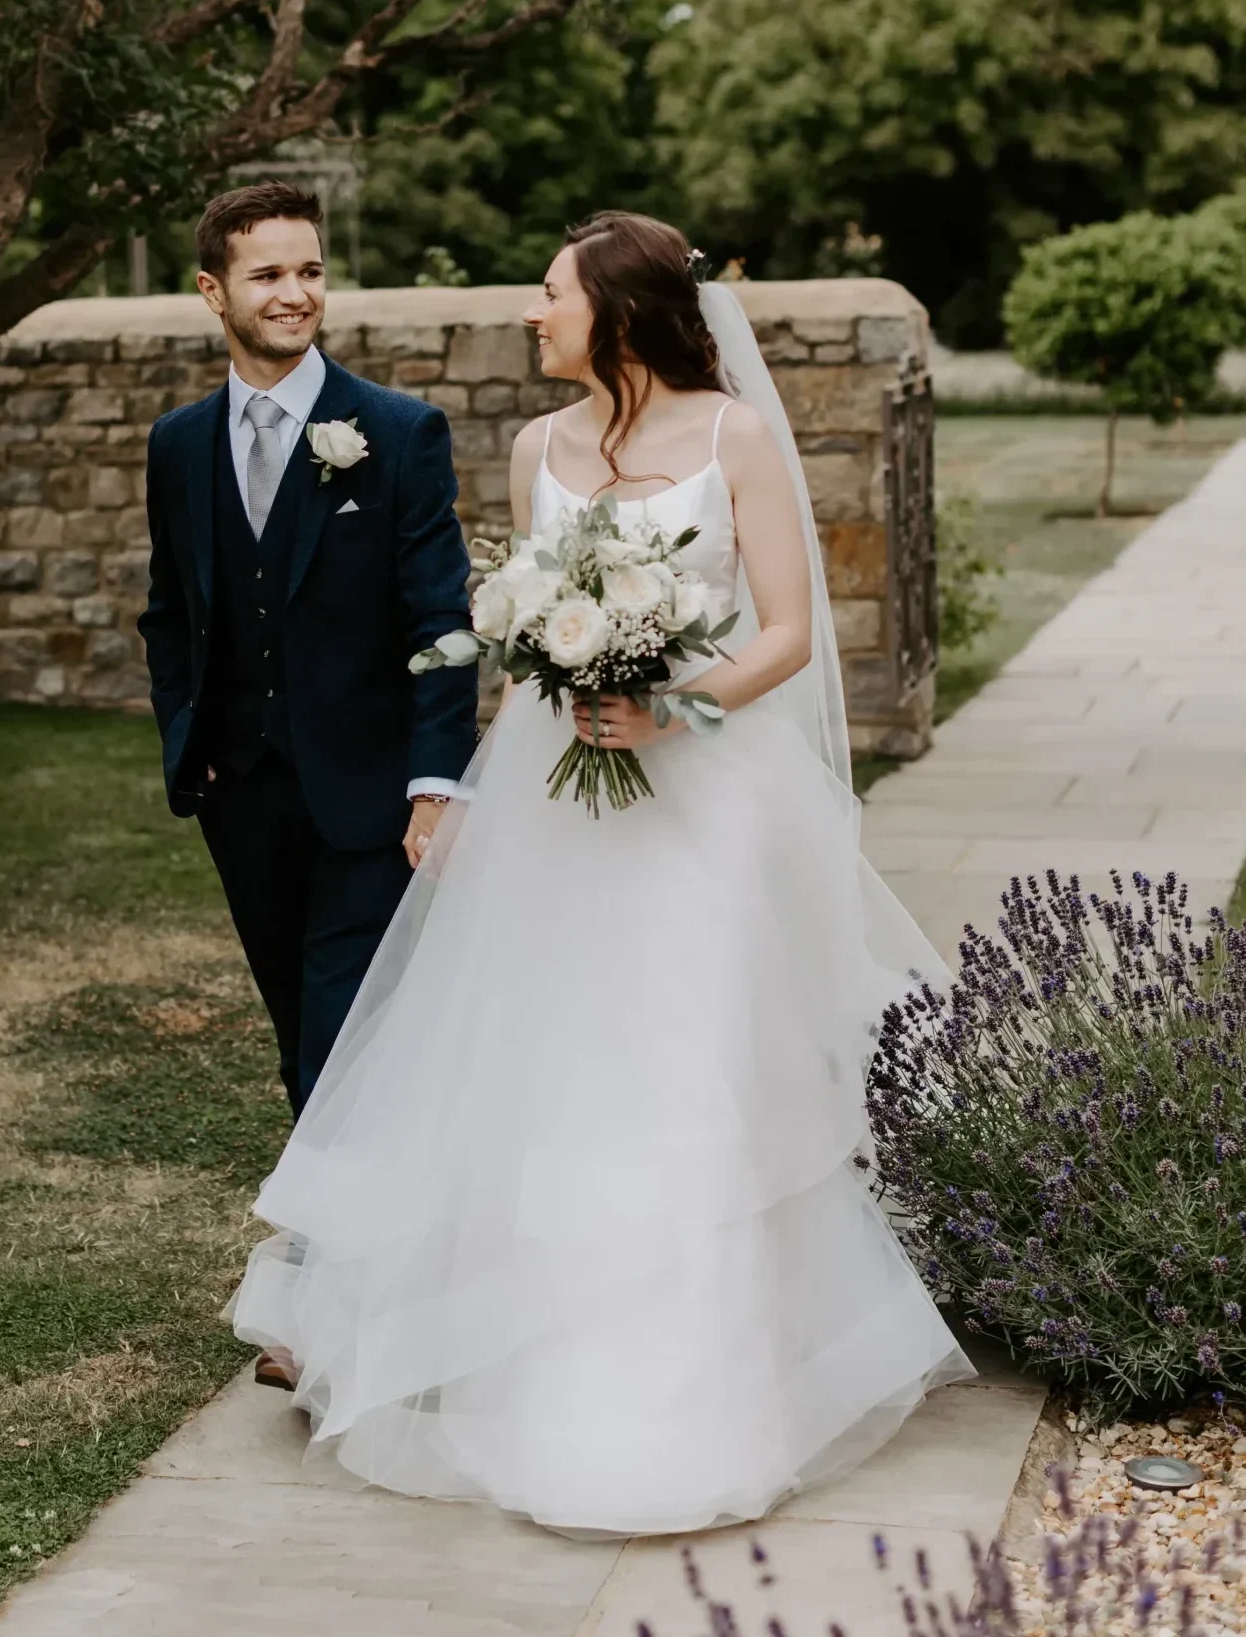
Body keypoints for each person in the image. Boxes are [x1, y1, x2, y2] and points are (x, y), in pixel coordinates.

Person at [227, 211, 974, 1537]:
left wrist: (669, 703)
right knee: (560, 1073)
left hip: (707, 808)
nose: (534, 313)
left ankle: (706, 1410)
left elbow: (792, 635)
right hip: (558, 810)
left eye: (552, 293)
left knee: (687, 1074)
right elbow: (520, 650)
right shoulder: (537, 449)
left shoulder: (734, 435)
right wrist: (471, 786)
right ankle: (556, 1386)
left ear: (618, 311)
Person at [138, 183, 479, 1391]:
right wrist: (194, 739)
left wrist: (436, 783)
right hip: (246, 799)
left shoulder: (397, 429)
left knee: (345, 1040)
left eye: (310, 270)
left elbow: (443, 625)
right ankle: (361, 1275)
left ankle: (328, 1312)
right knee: (302, 1040)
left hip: (374, 801)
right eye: (268, 273)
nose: (294, 293)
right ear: (212, 293)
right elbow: (171, 609)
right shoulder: (178, 444)